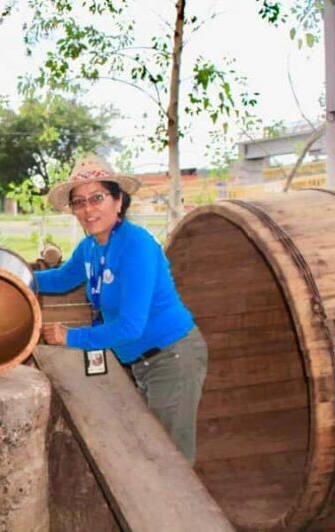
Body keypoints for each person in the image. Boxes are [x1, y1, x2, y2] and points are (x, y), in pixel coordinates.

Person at [36, 154, 208, 463]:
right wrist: (16, 278)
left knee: (171, 461)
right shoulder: (91, 246)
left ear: (118, 201)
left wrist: (70, 337)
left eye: (97, 198)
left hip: (172, 357)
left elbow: (131, 326)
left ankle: (173, 513)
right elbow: (61, 279)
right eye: (79, 202)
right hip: (141, 361)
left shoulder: (136, 245)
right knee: (152, 452)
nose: (88, 209)